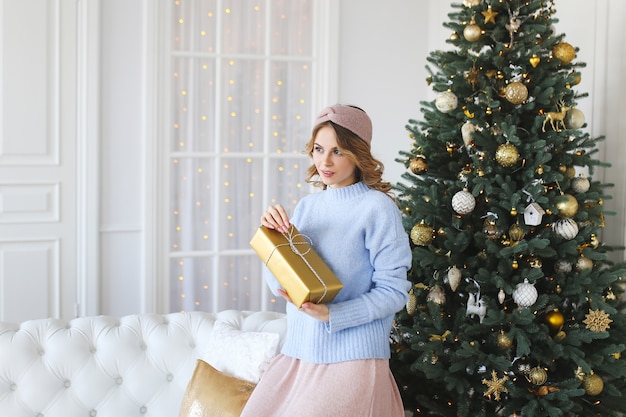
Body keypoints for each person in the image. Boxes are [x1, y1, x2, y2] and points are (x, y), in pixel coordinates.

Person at [240, 104, 412, 417]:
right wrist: (273, 239)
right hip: (299, 353)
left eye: (338, 151)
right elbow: (282, 285)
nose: (325, 161)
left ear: (358, 154)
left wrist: (334, 314)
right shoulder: (307, 207)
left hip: (352, 360)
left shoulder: (377, 209)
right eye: (319, 149)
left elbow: (394, 291)